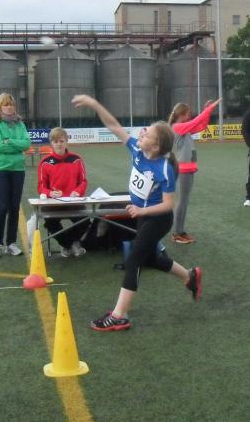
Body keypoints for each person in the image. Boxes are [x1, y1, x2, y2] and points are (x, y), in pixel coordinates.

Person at [71, 94, 202, 332]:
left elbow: (168, 205)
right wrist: (95, 104)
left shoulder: (163, 168)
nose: (141, 133)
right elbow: (113, 125)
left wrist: (142, 209)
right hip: (144, 216)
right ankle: (189, 276)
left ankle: (119, 316)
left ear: (156, 146)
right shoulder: (137, 150)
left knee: (133, 260)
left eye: (147, 133)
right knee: (150, 258)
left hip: (158, 219)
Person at [168, 97, 222, 244]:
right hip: (183, 169)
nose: (190, 115)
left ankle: (180, 231)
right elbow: (195, 122)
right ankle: (177, 233)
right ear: (181, 114)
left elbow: (201, 126)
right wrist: (208, 109)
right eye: (188, 113)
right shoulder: (177, 127)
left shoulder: (183, 127)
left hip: (188, 168)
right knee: (182, 202)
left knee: (184, 201)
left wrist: (206, 111)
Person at [37, 127, 90, 257]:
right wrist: (50, 193)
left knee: (85, 221)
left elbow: (83, 181)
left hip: (73, 202)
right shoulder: (45, 162)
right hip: (53, 203)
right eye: (56, 141)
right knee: (50, 223)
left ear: (66, 141)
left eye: (61, 141)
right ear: (51, 143)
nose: (59, 144)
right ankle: (70, 245)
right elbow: (41, 186)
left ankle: (68, 245)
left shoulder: (76, 159)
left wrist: (78, 191)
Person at [0, 93, 31, 257]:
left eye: (11, 104)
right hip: (0, 168)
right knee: (2, 206)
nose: (9, 107)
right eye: (5, 105)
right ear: (0, 107)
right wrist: (16, 146)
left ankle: (11, 243)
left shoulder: (20, 124)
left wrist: (10, 141)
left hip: (18, 169)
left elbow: (26, 144)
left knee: (14, 207)